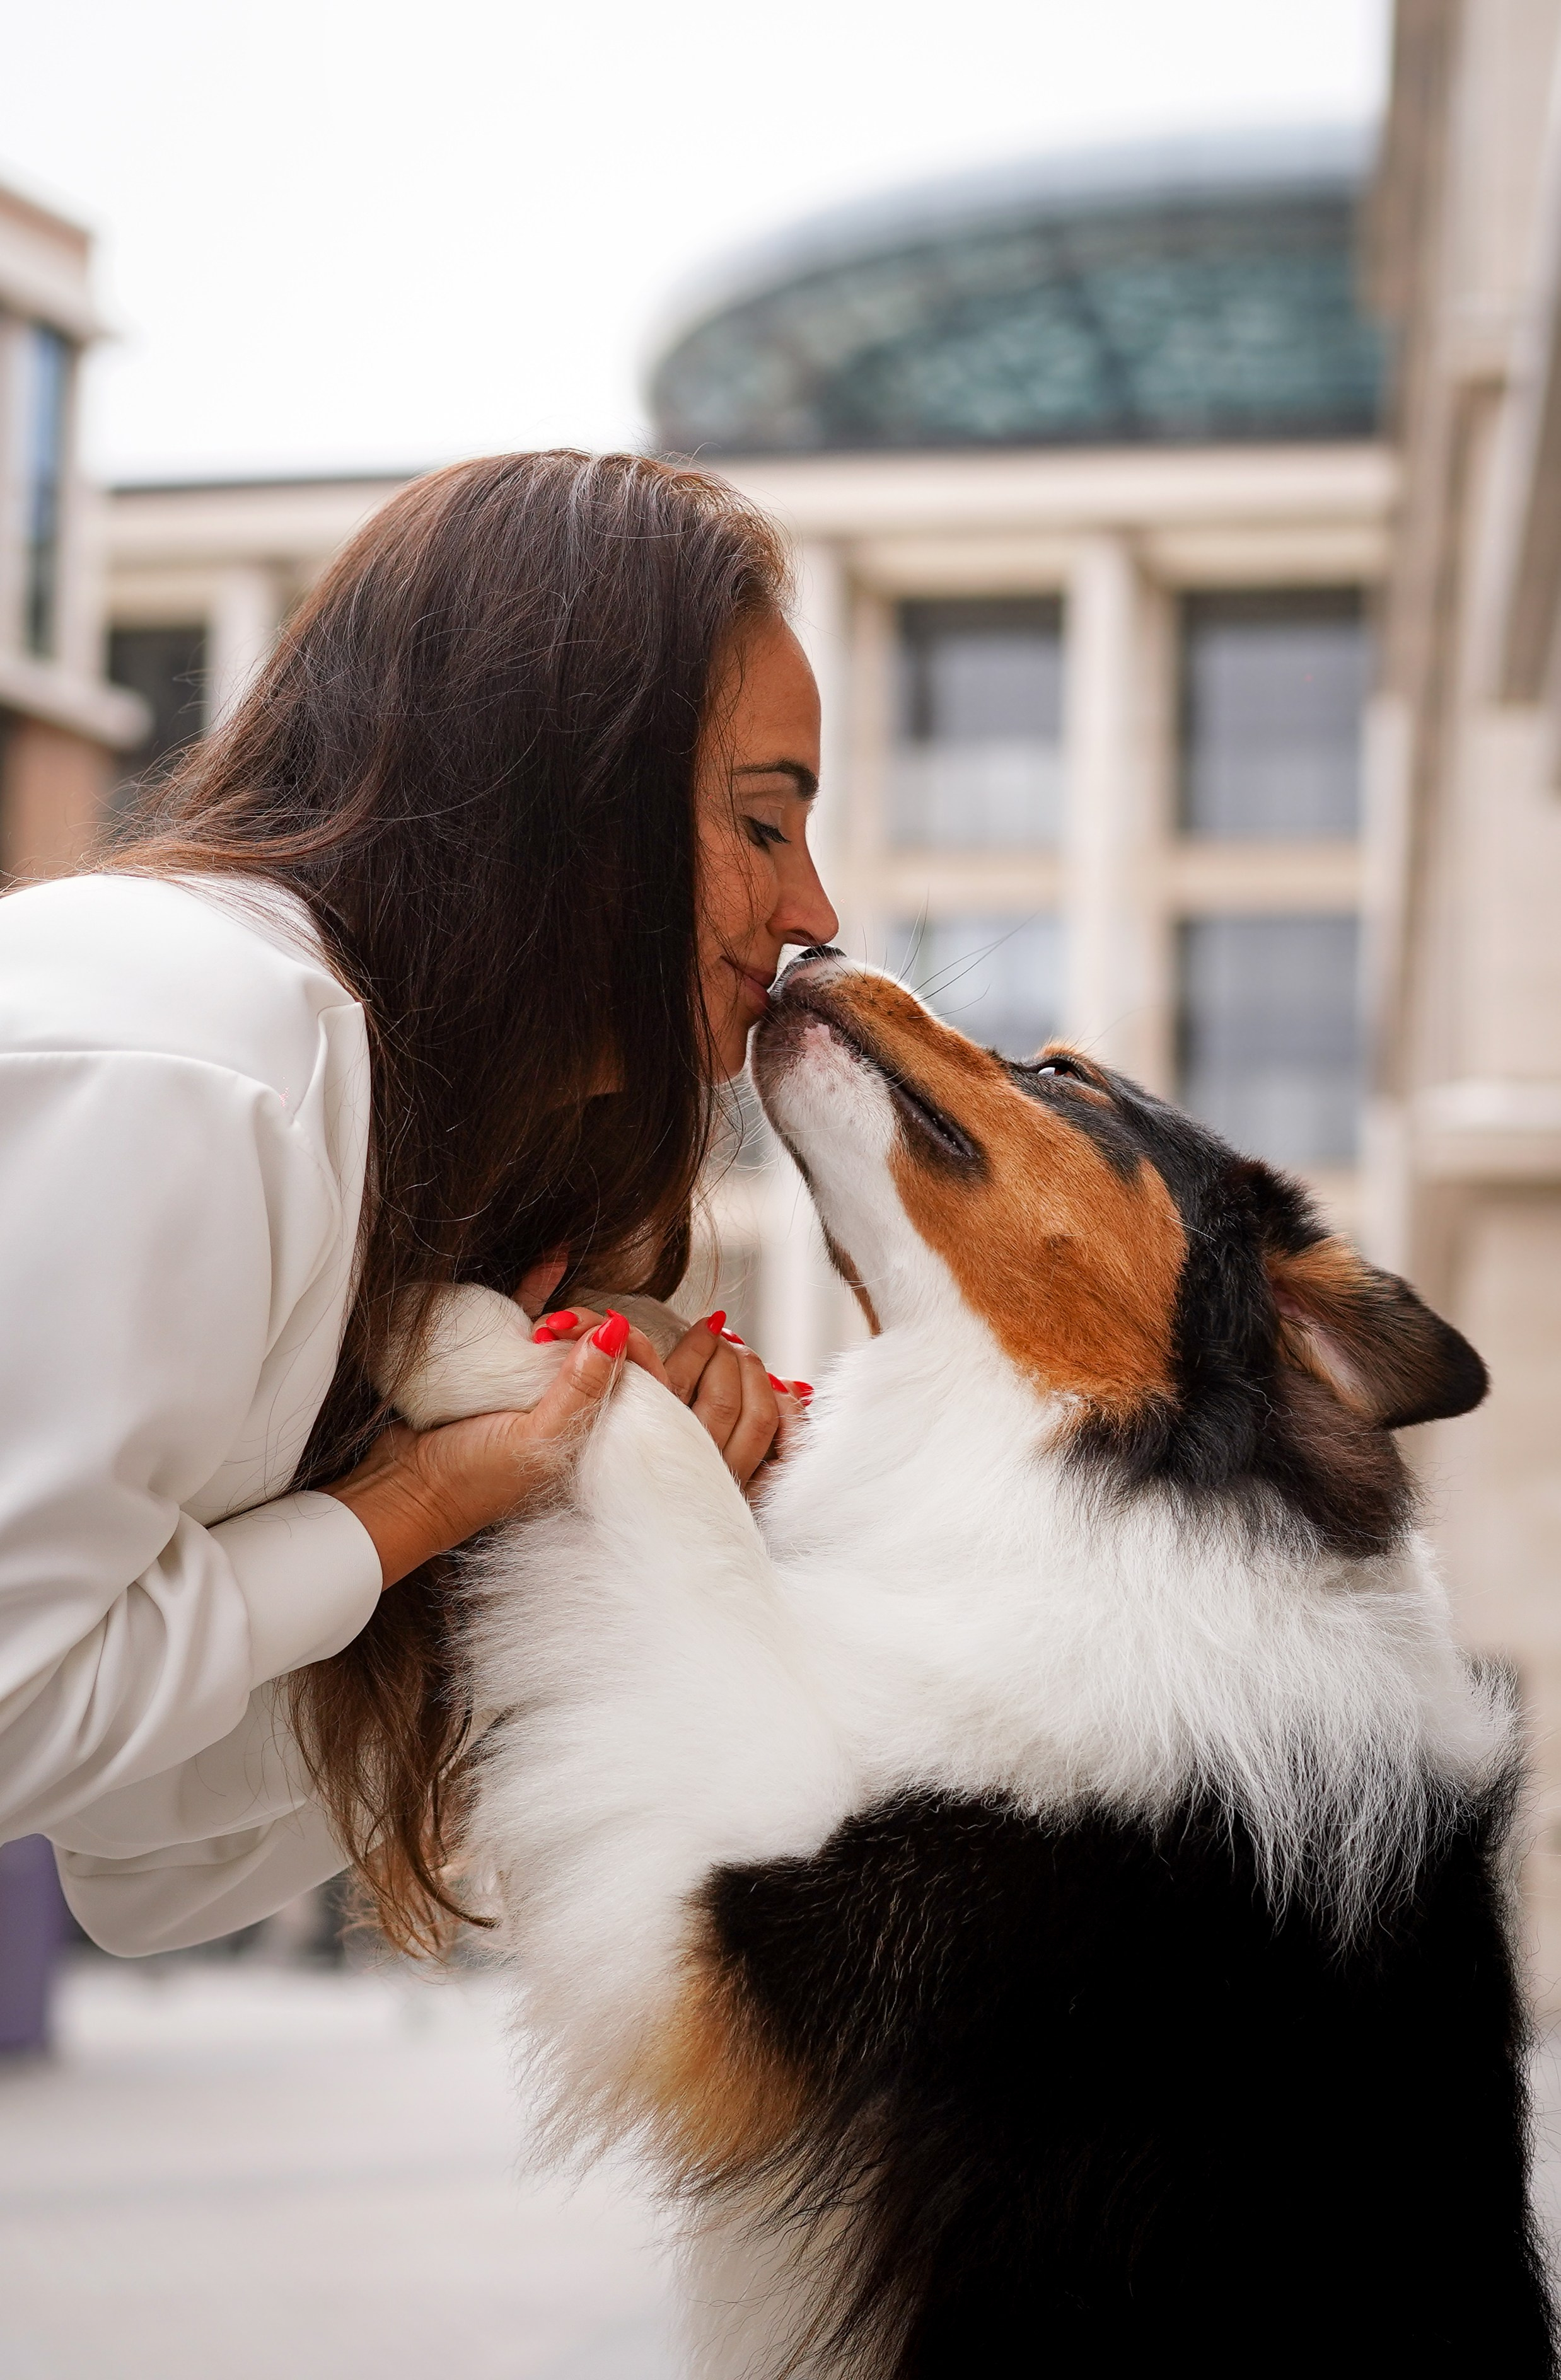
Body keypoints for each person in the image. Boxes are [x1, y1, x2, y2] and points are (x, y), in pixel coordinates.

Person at [0, 451, 837, 1957]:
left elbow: (141, 1851)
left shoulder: (342, 1114)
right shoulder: (199, 1065)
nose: (814, 914)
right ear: (570, 798)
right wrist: (415, 1502)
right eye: (763, 825)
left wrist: (552, 1519)